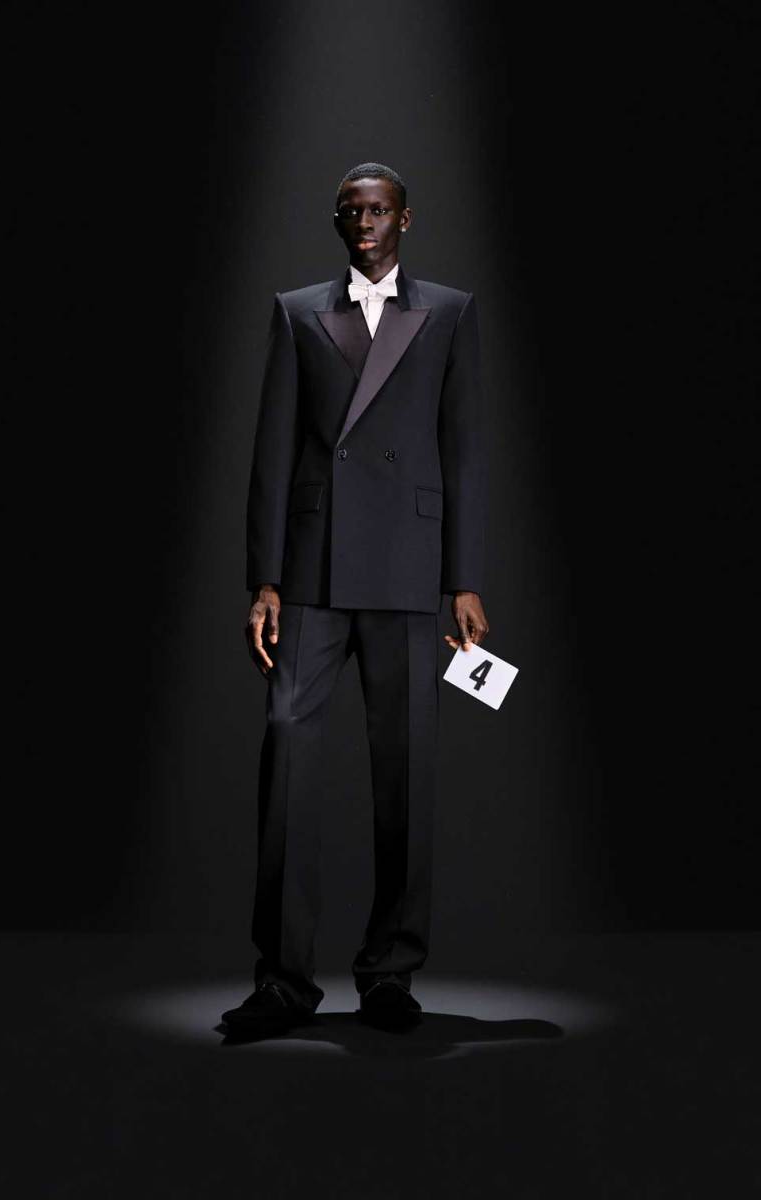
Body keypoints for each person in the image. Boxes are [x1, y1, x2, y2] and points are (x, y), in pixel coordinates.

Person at [220, 161, 489, 1038]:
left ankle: (390, 974)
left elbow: (464, 451)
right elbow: (272, 450)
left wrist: (465, 579)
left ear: (405, 219)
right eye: (351, 211)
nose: (364, 222)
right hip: (312, 569)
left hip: (409, 565)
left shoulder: (449, 311)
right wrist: (264, 578)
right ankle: (283, 981)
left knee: (406, 770)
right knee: (288, 758)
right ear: (338, 221)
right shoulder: (297, 310)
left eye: (378, 210)